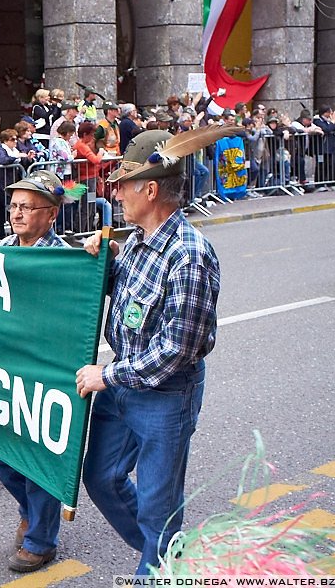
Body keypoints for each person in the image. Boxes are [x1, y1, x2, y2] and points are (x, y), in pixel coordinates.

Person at [79, 130, 221, 577]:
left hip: (163, 395)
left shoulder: (190, 255)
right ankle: (170, 562)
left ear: (152, 190)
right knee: (101, 478)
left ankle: (156, 568)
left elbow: (177, 350)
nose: (116, 192)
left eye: (124, 184)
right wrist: (101, 258)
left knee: (159, 508)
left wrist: (108, 376)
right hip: (123, 383)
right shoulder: (140, 238)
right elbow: (122, 289)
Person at [0, 169, 75, 572]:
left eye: (26, 206)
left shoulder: (66, 259)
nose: (16, 213)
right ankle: (31, 512)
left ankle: (41, 538)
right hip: (2, 368)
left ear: (51, 214)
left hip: (43, 374)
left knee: (38, 456)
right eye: (13, 205)